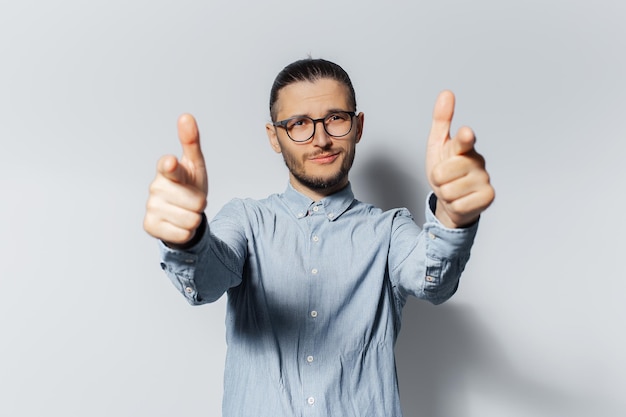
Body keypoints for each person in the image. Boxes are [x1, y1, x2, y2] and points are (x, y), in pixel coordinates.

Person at [143, 58, 494, 417]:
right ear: (274, 137)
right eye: (299, 124)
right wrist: (186, 238)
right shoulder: (246, 220)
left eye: (335, 119)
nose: (322, 139)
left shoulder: (389, 231)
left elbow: (433, 281)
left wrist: (453, 216)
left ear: (358, 126)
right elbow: (206, 280)